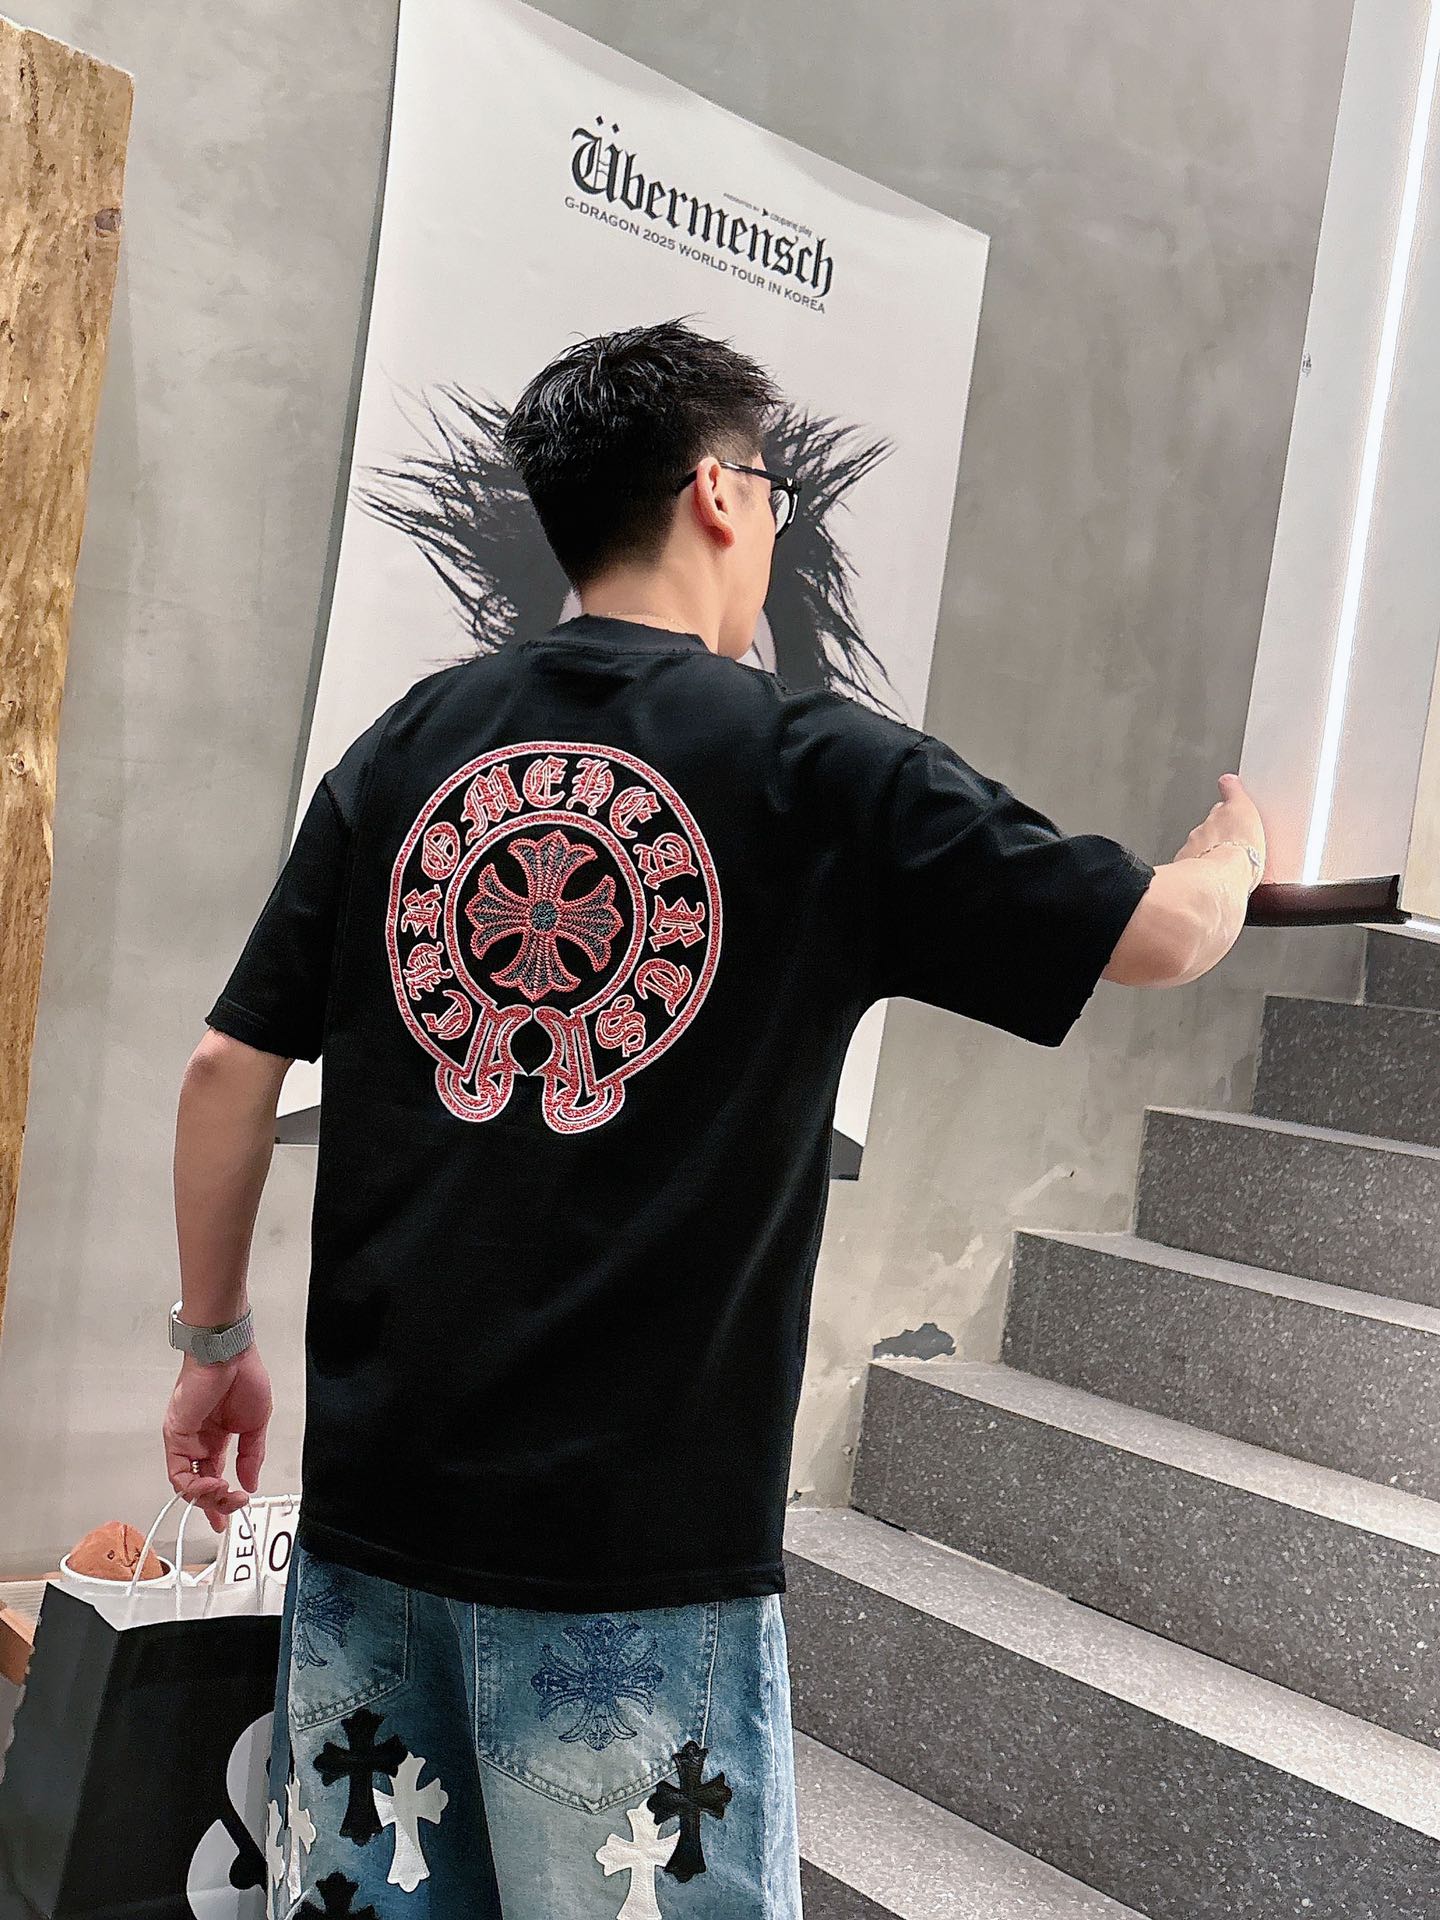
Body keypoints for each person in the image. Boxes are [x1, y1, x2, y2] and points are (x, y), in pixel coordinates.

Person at [164, 319, 1267, 1917]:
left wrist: (212, 1345)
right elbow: (1161, 934)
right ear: (719, 493)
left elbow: (225, 1070)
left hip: (371, 1524)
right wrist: (1238, 847)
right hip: (637, 1560)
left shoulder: (408, 744)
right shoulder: (815, 768)